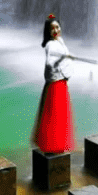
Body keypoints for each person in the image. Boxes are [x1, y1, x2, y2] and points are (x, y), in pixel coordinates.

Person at [32, 14, 75, 153]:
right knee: (54, 115)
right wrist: (61, 59)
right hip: (55, 84)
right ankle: (52, 145)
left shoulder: (60, 41)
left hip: (61, 82)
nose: (56, 30)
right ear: (48, 32)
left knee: (60, 115)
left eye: (57, 27)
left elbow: (65, 54)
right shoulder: (50, 45)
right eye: (52, 28)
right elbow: (50, 63)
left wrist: (68, 56)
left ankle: (58, 144)